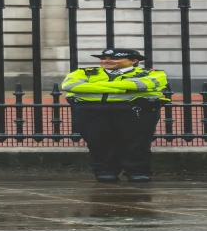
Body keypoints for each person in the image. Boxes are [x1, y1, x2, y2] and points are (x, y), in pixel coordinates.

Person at [62, 48, 169, 182]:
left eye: (114, 58)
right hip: (91, 110)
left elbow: (141, 85)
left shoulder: (152, 73)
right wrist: (124, 87)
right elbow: (70, 85)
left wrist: (93, 86)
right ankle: (105, 172)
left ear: (134, 61)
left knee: (136, 142)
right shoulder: (84, 72)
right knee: (98, 142)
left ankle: (137, 172)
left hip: (135, 109)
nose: (107, 61)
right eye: (104, 58)